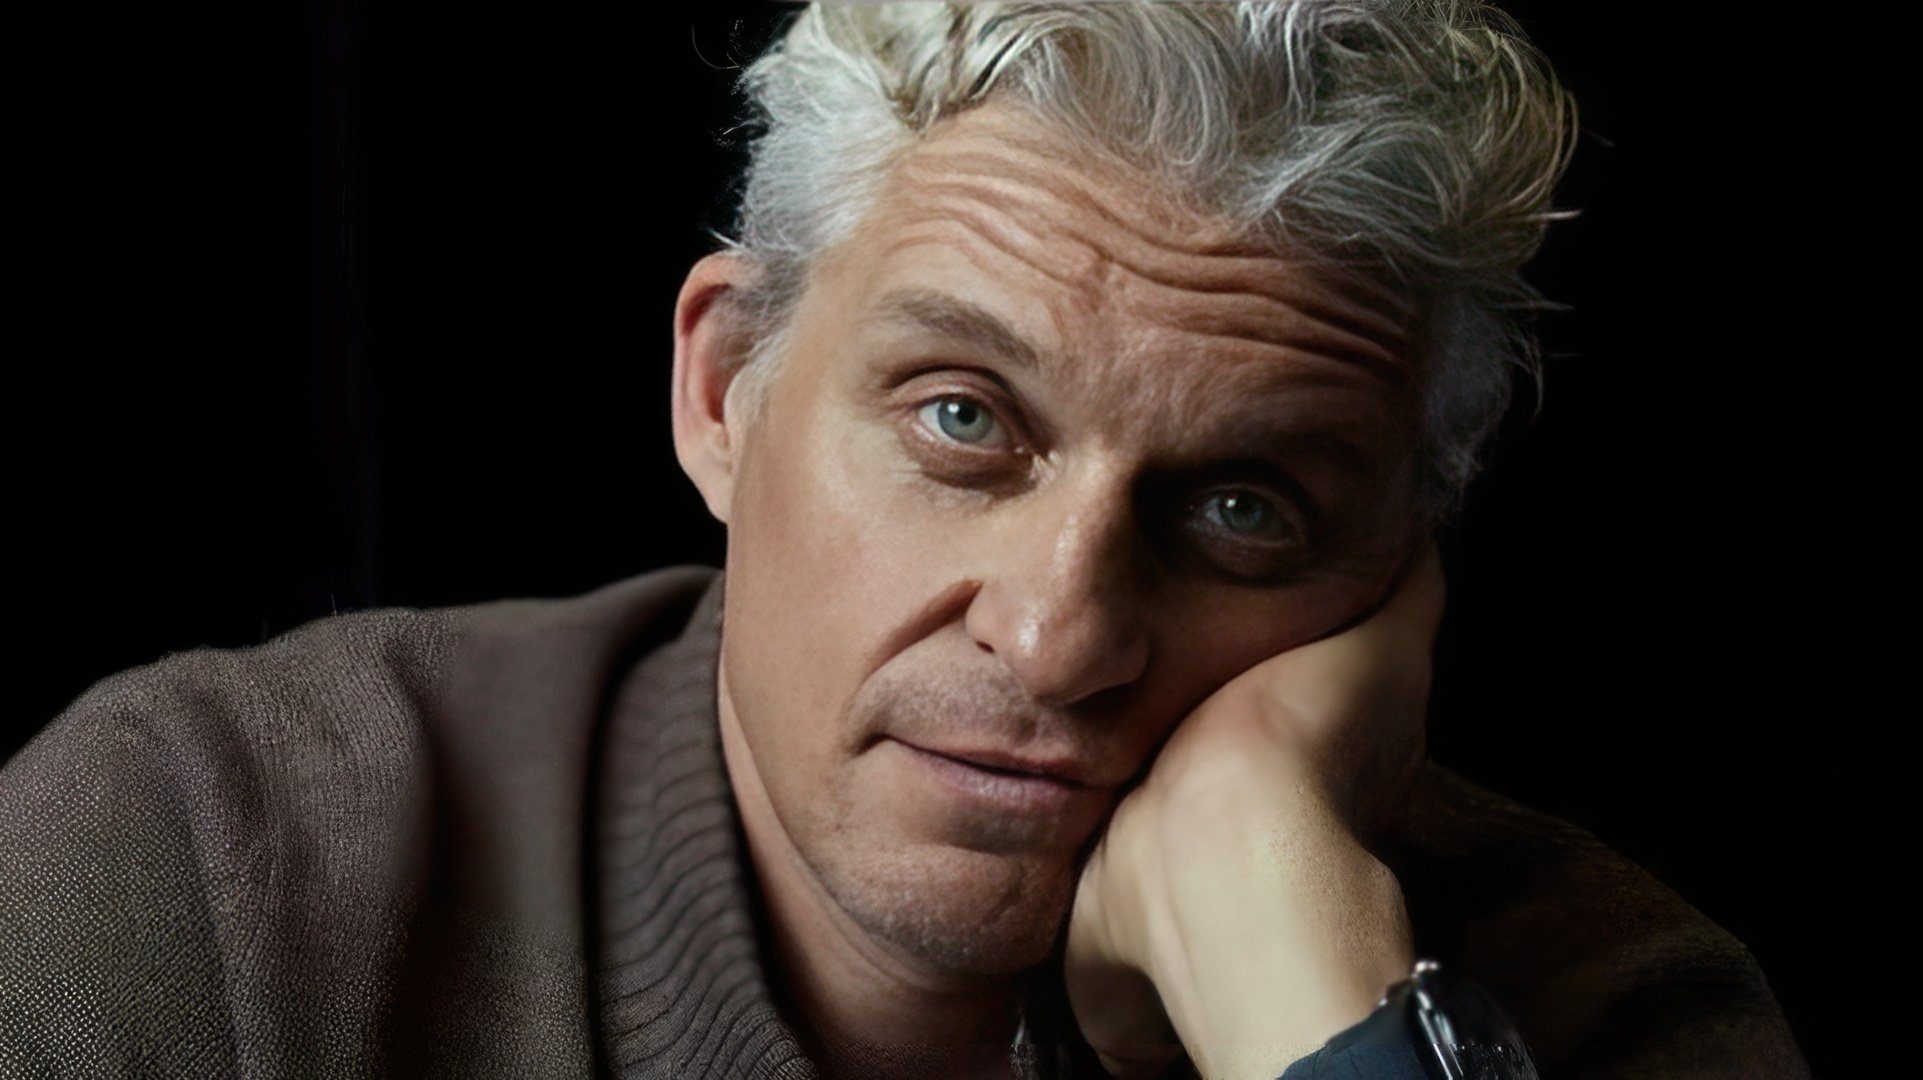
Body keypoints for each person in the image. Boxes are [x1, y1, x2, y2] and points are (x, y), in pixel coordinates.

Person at [0, 2, 1808, 1078]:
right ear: (726, 390)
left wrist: (1304, 991)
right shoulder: (211, 870)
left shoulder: (1599, 1009)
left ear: (1393, 579)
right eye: (962, 421)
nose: (1059, 634)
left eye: (1242, 508)